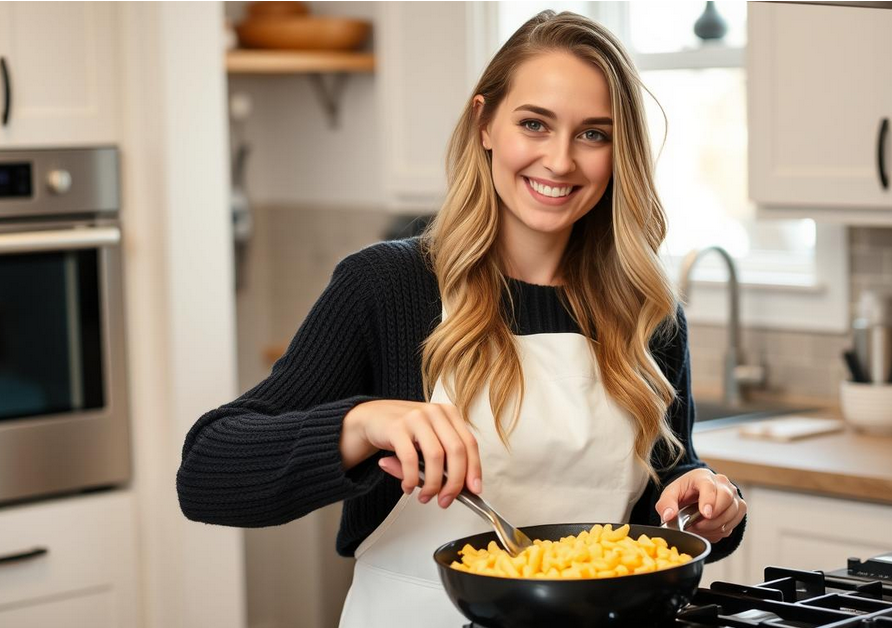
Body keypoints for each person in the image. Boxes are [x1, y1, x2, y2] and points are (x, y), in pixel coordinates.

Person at [178, 10, 747, 627]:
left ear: (620, 153)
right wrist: (363, 421)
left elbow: (667, 488)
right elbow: (206, 473)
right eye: (535, 124)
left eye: (593, 134)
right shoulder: (390, 286)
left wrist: (707, 501)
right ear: (485, 124)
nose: (559, 161)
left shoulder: (646, 309)